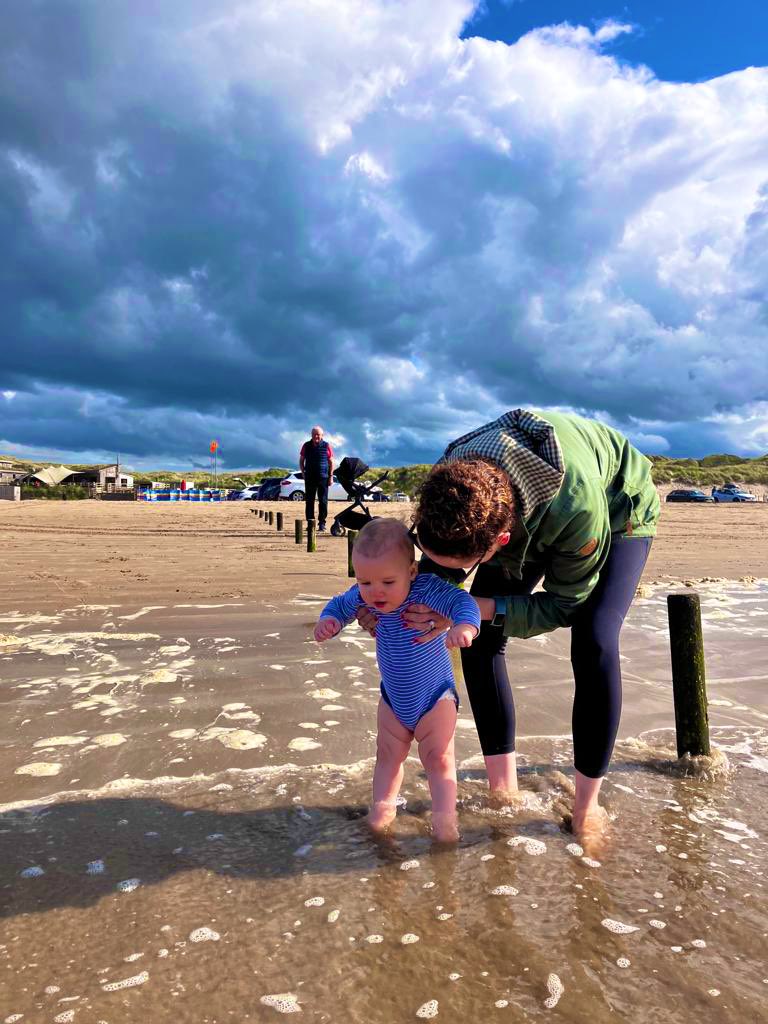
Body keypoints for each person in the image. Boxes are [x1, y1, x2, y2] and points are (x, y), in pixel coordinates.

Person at [361, 409, 660, 853]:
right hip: (505, 502)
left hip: (616, 505)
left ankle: (586, 806)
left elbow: (564, 605)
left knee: (595, 640)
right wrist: (390, 607)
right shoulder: (449, 482)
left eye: (458, 567)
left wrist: (477, 605)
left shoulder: (577, 511)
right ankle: (505, 788)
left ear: (499, 545)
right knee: (480, 644)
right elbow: (423, 583)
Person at [314, 518, 481, 842]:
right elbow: (340, 603)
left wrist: (464, 627)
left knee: (438, 759)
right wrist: (330, 620)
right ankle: (382, 810)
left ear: (412, 572)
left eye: (388, 582)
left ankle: (445, 822)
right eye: (365, 582)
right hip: (393, 699)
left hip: (435, 698)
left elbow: (463, 602)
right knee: (387, 755)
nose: (375, 592)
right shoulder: (364, 595)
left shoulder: (427, 589)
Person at [299, 425, 334, 531]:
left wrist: (331, 476)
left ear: (322, 435)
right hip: (309, 477)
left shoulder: (326, 445)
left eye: (318, 434)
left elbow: (331, 462)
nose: (316, 436)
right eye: (314, 434)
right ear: (311, 435)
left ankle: (322, 523)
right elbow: (301, 460)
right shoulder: (306, 445)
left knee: (323, 501)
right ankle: (310, 523)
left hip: (323, 477)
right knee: (309, 501)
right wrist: (303, 472)